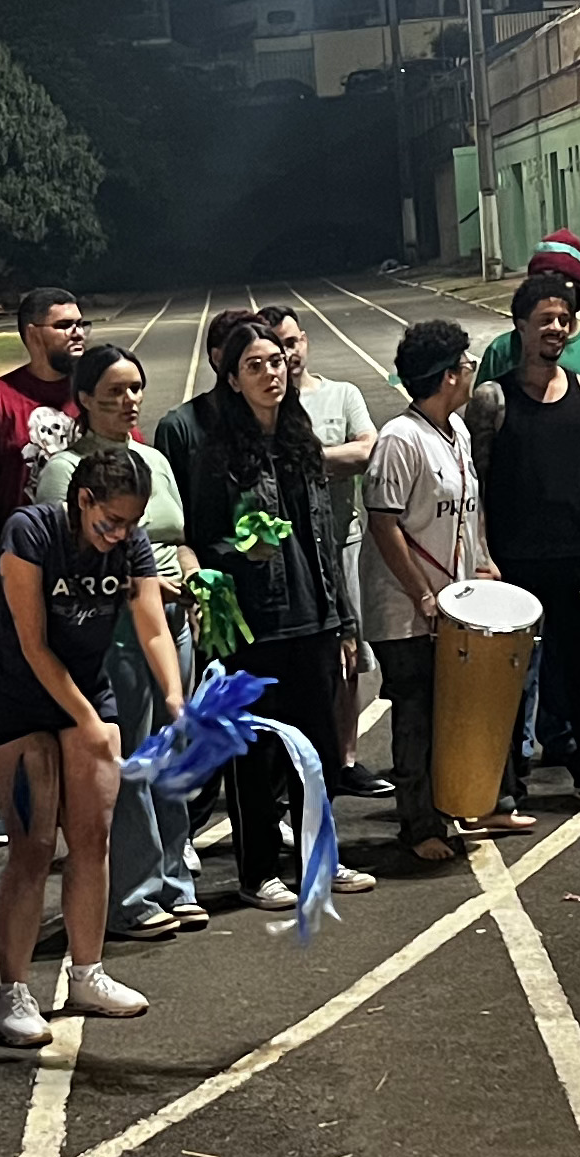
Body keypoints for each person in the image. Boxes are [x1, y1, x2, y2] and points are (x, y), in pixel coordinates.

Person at [0, 439, 177, 1041]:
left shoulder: (130, 543)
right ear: (83, 499)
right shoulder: (31, 532)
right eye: (111, 521)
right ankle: (11, 991)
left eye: (131, 524)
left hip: (86, 690)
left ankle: (87, 973)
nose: (120, 535)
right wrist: (88, 721)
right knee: (34, 844)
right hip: (18, 699)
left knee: (93, 836)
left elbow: (153, 627)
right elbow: (33, 643)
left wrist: (176, 700)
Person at [185, 312, 372, 910]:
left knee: (318, 750)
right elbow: (201, 538)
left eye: (276, 362)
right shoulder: (219, 454)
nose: (271, 373)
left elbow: (324, 535)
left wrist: (343, 621)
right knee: (255, 752)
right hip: (257, 624)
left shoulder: (301, 442)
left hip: (314, 618)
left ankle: (322, 858)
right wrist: (240, 551)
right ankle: (259, 870)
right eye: (255, 365)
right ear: (232, 379)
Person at [37, 344, 207, 938]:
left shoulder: (154, 460)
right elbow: (68, 558)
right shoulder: (65, 472)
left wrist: (193, 575)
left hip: (170, 624)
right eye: (114, 391)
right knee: (130, 763)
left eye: (135, 387)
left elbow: (178, 537)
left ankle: (176, 882)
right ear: (84, 399)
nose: (129, 400)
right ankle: (135, 896)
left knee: (172, 756)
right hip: (113, 633)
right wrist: (144, 585)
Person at [473, 268, 580, 811]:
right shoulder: (493, 398)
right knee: (510, 671)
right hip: (514, 559)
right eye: (545, 320)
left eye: (564, 320)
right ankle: (503, 782)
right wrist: (482, 553)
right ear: (520, 326)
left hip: (576, 552)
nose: (556, 328)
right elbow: (477, 482)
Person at [363, 318, 494, 865]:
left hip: (451, 604)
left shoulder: (457, 430)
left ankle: (445, 808)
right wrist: (421, 594)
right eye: (466, 364)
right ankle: (417, 824)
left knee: (448, 711)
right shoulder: (400, 439)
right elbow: (384, 524)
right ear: (447, 376)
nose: (471, 372)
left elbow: (467, 509)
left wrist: (483, 563)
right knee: (416, 712)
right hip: (406, 609)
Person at [267, 307, 384, 794]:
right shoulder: (267, 405)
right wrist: (335, 461)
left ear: (306, 341)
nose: (288, 354)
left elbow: (368, 450)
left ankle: (346, 758)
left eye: (293, 342)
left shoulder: (342, 395)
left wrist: (306, 460)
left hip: (343, 540)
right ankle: (291, 763)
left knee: (349, 655)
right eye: (277, 347)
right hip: (290, 554)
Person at [0, 289, 91, 565]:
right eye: (64, 325)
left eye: (80, 324)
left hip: (91, 556)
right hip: (25, 558)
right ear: (33, 333)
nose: (77, 333)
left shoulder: (95, 391)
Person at [477, 232, 580, 414]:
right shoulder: (502, 350)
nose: (554, 293)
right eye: (543, 283)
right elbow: (480, 415)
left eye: (563, 284)